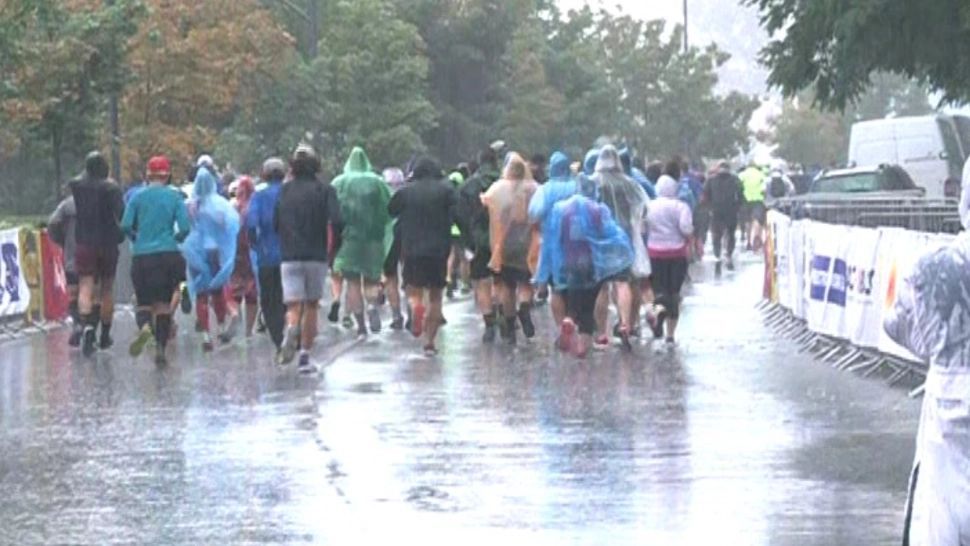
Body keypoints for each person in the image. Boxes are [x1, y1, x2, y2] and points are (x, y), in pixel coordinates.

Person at [883, 228, 970, 546]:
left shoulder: (931, 265)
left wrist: (944, 346)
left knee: (942, 510)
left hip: (950, 396)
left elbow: (896, 325)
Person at [548, 175, 634, 357]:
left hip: (569, 262)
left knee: (572, 298)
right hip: (591, 264)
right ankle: (582, 348)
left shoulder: (562, 210)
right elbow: (607, 234)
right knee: (587, 306)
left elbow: (555, 239)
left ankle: (569, 318)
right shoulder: (597, 210)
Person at [274, 145, 342, 371]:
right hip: (316, 255)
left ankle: (292, 327)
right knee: (312, 305)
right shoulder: (325, 190)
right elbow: (338, 221)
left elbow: (276, 221)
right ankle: (304, 356)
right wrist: (334, 248)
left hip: (289, 255)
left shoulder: (284, 191)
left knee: (293, 305)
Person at [121, 156, 191, 365]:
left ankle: (144, 328)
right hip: (168, 254)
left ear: (148, 174)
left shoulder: (137, 197)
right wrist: (175, 239)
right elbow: (185, 228)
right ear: (167, 175)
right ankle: (161, 348)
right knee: (162, 305)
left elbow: (125, 225)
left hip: (142, 256)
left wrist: (136, 238)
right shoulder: (175, 197)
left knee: (143, 303)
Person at [388, 157, 456, 355]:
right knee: (436, 297)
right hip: (438, 251)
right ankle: (430, 343)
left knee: (414, 290)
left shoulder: (406, 192)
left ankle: (416, 307)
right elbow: (457, 214)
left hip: (412, 249)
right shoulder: (446, 191)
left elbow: (391, 210)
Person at [331, 146, 392, 339]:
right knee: (372, 279)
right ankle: (372, 306)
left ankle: (361, 327)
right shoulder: (378, 183)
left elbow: (332, 212)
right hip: (373, 240)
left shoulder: (339, 182)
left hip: (349, 240)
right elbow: (388, 209)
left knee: (353, 283)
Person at [593, 145, 650, 350]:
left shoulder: (594, 183)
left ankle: (601, 332)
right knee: (623, 282)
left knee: (601, 286)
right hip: (624, 237)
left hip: (600, 238)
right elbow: (644, 208)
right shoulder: (630, 183)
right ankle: (626, 323)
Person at [481, 152, 540, 344]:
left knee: (507, 285)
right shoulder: (534, 189)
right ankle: (524, 307)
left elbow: (484, 201)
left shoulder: (498, 188)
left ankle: (509, 321)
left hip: (503, 244)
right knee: (525, 282)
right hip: (526, 243)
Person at [70, 151, 124, 357]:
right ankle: (105, 334)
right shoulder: (111, 188)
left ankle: (86, 325)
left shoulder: (76, 186)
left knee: (86, 285)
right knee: (107, 288)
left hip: (84, 241)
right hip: (108, 242)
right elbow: (121, 214)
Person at [182, 167, 240, 352]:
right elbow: (228, 225)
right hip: (214, 251)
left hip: (195, 252)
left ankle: (206, 335)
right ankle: (221, 326)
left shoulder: (190, 205)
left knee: (201, 293)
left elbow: (184, 226)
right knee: (216, 291)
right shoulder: (220, 204)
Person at [456, 147, 502, 343]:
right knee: (502, 282)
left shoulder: (468, 186)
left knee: (481, 283)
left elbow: (459, 215)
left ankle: (489, 323)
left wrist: (468, 240)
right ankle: (504, 311)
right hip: (503, 239)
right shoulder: (504, 183)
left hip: (478, 241)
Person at [528, 152, 576, 329]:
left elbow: (534, 213)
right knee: (576, 285)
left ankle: (560, 325)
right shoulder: (577, 186)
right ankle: (573, 319)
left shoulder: (545, 189)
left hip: (552, 244)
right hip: (577, 244)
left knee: (556, 288)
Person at [647, 175, 693, 345]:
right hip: (677, 255)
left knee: (659, 291)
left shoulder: (649, 206)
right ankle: (670, 334)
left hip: (654, 254)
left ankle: (657, 313)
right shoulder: (681, 207)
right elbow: (686, 228)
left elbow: (643, 226)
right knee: (674, 294)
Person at [248, 158, 287, 352]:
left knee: (270, 300)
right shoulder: (289, 193)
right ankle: (291, 330)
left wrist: (256, 246)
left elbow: (251, 225)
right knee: (287, 297)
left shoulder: (259, 196)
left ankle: (278, 339)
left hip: (266, 256)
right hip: (290, 255)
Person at [47, 190, 82, 347]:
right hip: (96, 254)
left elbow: (52, 223)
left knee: (74, 291)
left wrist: (62, 240)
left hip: (72, 254)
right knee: (94, 292)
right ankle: (91, 327)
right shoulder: (99, 201)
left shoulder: (67, 205)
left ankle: (77, 323)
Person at [226, 176, 258, 340]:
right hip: (252, 252)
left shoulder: (232, 207)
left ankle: (234, 312)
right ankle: (248, 332)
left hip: (234, 251)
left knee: (232, 288)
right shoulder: (254, 207)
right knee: (252, 292)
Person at [703, 161, 745, 273]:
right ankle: (729, 253)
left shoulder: (711, 180)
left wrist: (709, 208)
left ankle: (717, 253)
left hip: (716, 211)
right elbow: (741, 194)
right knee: (730, 233)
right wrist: (738, 207)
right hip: (731, 210)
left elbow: (705, 195)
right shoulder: (735, 180)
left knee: (716, 234)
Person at [381, 167, 407, 330]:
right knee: (410, 276)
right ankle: (412, 310)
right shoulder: (406, 196)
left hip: (387, 240)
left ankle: (397, 314)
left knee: (390, 278)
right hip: (407, 236)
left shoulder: (380, 198)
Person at [739, 162, 767, 251]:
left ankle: (748, 241)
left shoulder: (742, 175)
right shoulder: (761, 175)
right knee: (757, 220)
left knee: (747, 221)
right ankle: (756, 237)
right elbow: (764, 189)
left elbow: (738, 187)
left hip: (745, 200)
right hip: (758, 200)